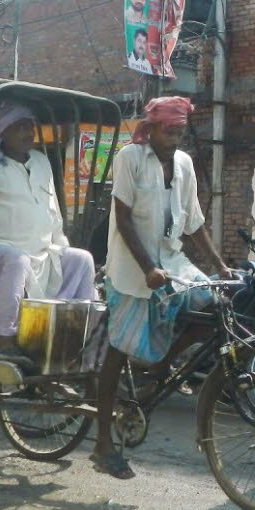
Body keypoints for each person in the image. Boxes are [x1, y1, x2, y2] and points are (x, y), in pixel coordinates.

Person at [92, 96, 231, 480]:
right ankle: (103, 444)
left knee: (216, 307)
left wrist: (219, 266)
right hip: (131, 270)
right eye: (169, 129)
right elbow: (122, 219)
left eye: (180, 130)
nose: (174, 136)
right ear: (151, 128)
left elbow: (195, 223)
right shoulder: (130, 158)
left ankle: (160, 366)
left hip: (172, 265)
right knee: (118, 351)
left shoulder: (184, 164)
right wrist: (147, 266)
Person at [0, 102, 96, 359]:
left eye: (30, 127)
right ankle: (5, 340)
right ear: (2, 132)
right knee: (17, 260)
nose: (28, 133)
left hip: (42, 250)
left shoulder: (41, 162)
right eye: (19, 128)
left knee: (83, 259)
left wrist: (62, 243)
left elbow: (52, 210)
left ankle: (78, 338)